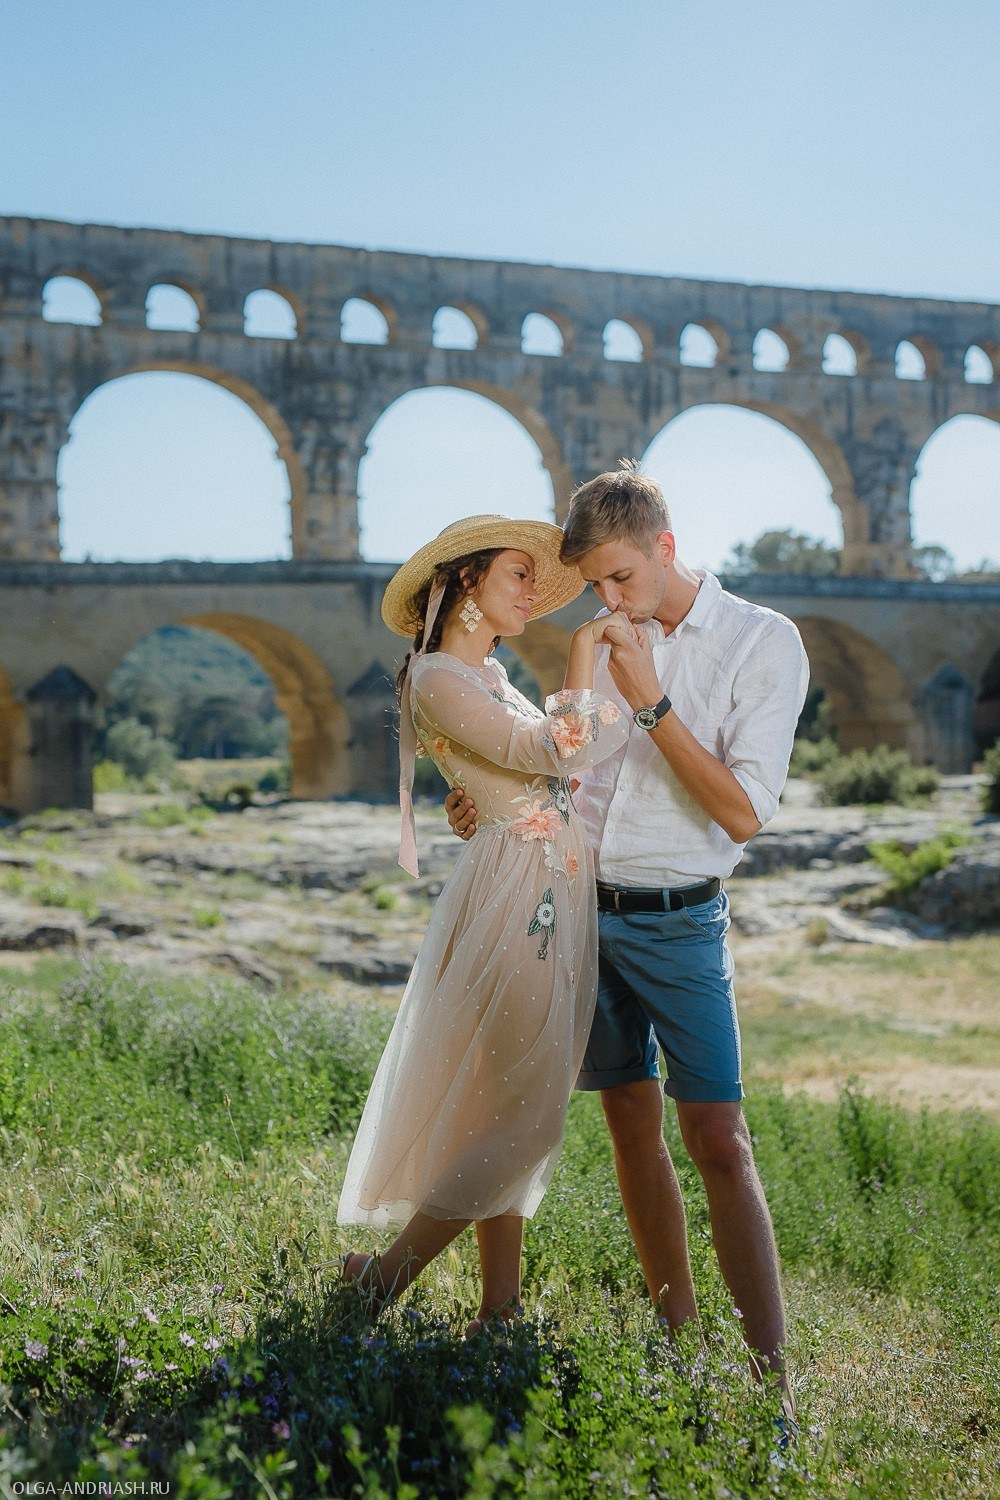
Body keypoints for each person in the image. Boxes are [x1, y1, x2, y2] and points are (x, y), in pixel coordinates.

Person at [447, 464, 809, 1414]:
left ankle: (773, 1383)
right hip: (578, 907)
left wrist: (652, 701)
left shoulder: (764, 643)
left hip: (683, 917)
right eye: (596, 586)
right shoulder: (602, 642)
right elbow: (571, 774)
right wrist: (488, 800)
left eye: (622, 579)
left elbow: (740, 813)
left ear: (667, 547)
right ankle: (678, 1338)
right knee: (628, 1129)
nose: (609, 603)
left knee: (719, 1137)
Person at [337, 515, 632, 1333]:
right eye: (514, 573)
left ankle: (499, 1307)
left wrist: (476, 801)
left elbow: (520, 771)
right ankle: (383, 1281)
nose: (531, 592)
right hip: (517, 888)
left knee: (511, 1095)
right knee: (529, 1113)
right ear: (463, 582)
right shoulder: (435, 678)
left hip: (547, 881)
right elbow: (552, 751)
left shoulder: (488, 675)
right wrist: (582, 657)